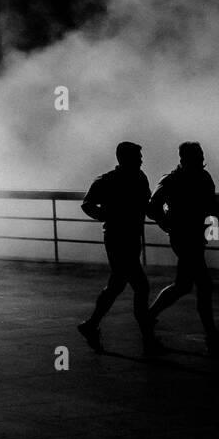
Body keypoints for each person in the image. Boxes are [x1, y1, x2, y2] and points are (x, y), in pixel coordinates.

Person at [146, 142, 219, 352]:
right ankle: (211, 335)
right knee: (203, 285)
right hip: (186, 237)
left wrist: (167, 223)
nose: (201, 158)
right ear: (187, 157)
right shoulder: (189, 179)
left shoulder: (175, 179)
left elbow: (154, 208)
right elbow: (153, 208)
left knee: (183, 285)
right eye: (198, 154)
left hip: (188, 236)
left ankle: (149, 316)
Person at [76, 142, 160, 354]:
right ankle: (148, 337)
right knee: (140, 286)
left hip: (124, 237)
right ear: (126, 158)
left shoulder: (121, 179)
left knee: (117, 284)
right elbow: (88, 204)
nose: (141, 160)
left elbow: (88, 204)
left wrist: (106, 215)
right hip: (119, 237)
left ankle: (91, 324)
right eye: (138, 156)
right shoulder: (119, 179)